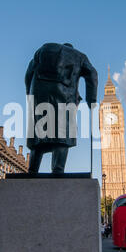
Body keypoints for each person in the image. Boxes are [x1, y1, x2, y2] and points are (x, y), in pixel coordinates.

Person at [25, 42, 98, 174]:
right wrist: (91, 100)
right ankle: (58, 171)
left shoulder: (43, 48)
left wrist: (29, 93)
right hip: (65, 95)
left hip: (39, 93)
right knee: (63, 133)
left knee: (38, 133)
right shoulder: (80, 56)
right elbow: (92, 74)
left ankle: (32, 170)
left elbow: (29, 73)